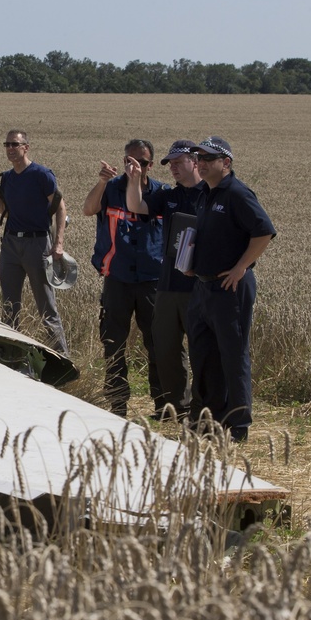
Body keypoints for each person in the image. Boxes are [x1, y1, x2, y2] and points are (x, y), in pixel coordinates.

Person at [185, 136, 276, 442]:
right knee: (204, 354)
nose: (202, 163)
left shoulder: (237, 193)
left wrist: (241, 267)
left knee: (233, 355)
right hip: (203, 286)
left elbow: (263, 231)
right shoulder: (204, 194)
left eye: (209, 158)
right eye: (199, 158)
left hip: (231, 288)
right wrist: (191, 263)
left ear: (226, 162)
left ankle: (238, 426)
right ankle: (210, 421)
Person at [82, 140, 168, 417]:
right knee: (114, 344)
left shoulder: (160, 194)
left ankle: (164, 405)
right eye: (129, 161)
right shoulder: (111, 189)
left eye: (141, 162)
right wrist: (101, 182)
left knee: (157, 342)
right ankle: (117, 404)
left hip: (151, 279)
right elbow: (88, 209)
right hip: (117, 278)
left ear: (150, 166)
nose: (134, 166)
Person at [124, 140, 203, 422]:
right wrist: (134, 180)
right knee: (166, 347)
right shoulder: (170, 196)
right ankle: (177, 408)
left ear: (196, 162)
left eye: (179, 163)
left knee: (201, 349)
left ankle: (201, 409)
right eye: (170, 164)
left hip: (199, 288)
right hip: (168, 285)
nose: (174, 169)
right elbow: (136, 206)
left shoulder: (210, 195)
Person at [0, 130, 69, 356]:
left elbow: (60, 208)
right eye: (7, 144)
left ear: (26, 147)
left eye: (15, 144)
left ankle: (63, 360)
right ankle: (11, 357)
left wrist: (58, 243)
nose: (11, 148)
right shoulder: (8, 178)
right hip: (10, 244)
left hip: (37, 244)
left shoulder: (42, 175)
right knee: (9, 307)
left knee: (46, 307)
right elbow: (6, 212)